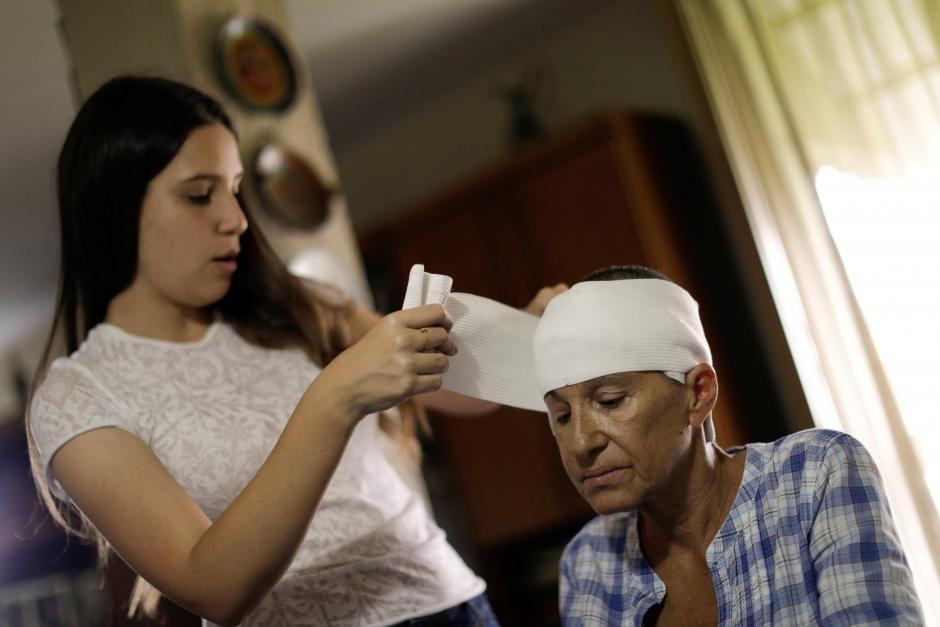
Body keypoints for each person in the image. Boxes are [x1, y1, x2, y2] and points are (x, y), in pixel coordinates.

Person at [26, 75, 562, 627]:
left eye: (235, 190)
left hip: (449, 607)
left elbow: (464, 391)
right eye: (198, 194)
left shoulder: (298, 306)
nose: (235, 220)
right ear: (115, 206)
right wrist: (334, 398)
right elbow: (213, 588)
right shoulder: (78, 395)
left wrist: (528, 334)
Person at [533, 265, 924, 625]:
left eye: (611, 400)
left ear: (698, 394)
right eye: (562, 416)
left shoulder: (813, 474)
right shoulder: (589, 562)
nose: (581, 443)